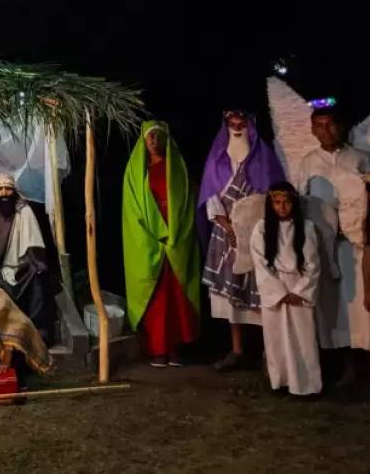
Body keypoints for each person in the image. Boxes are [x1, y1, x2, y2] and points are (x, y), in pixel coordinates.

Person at [198, 110, 285, 371]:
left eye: (241, 123)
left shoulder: (264, 157)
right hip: (226, 234)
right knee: (230, 295)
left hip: (259, 235)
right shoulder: (217, 159)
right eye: (231, 124)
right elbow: (211, 196)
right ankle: (237, 350)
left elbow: (273, 195)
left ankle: (269, 352)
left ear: (250, 125)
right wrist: (228, 226)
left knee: (261, 292)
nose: (237, 128)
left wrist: (254, 230)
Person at [297, 106, 370, 386]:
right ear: (313, 130)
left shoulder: (360, 159)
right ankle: (345, 366)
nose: (326, 130)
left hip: (360, 246)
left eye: (331, 124)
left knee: (363, 306)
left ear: (341, 126)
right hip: (328, 249)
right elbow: (304, 203)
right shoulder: (308, 163)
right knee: (339, 308)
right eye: (320, 125)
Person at [122, 121, 200, 367]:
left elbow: (186, 205)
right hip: (150, 242)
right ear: (143, 141)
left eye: (159, 135)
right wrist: (154, 237)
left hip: (175, 241)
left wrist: (176, 235)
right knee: (155, 298)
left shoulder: (177, 170)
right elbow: (132, 212)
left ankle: (176, 349)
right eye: (150, 136)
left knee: (177, 297)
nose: (154, 140)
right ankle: (157, 349)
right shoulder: (136, 173)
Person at [250, 182, 322, 396]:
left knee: (303, 338)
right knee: (276, 338)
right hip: (275, 289)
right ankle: (280, 382)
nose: (282, 207)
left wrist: (298, 291)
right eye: (277, 203)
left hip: (298, 289)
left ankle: (306, 385)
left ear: (294, 204)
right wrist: (279, 292)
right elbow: (260, 263)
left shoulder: (306, 227)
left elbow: (313, 263)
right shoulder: (261, 228)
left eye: (287, 202)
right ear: (270, 204)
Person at [0, 173, 52, 336]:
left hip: (19, 264)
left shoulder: (23, 211)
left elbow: (33, 246)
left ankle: (37, 329)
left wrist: (37, 264)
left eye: (8, 189)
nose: (4, 193)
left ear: (14, 192)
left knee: (38, 273)